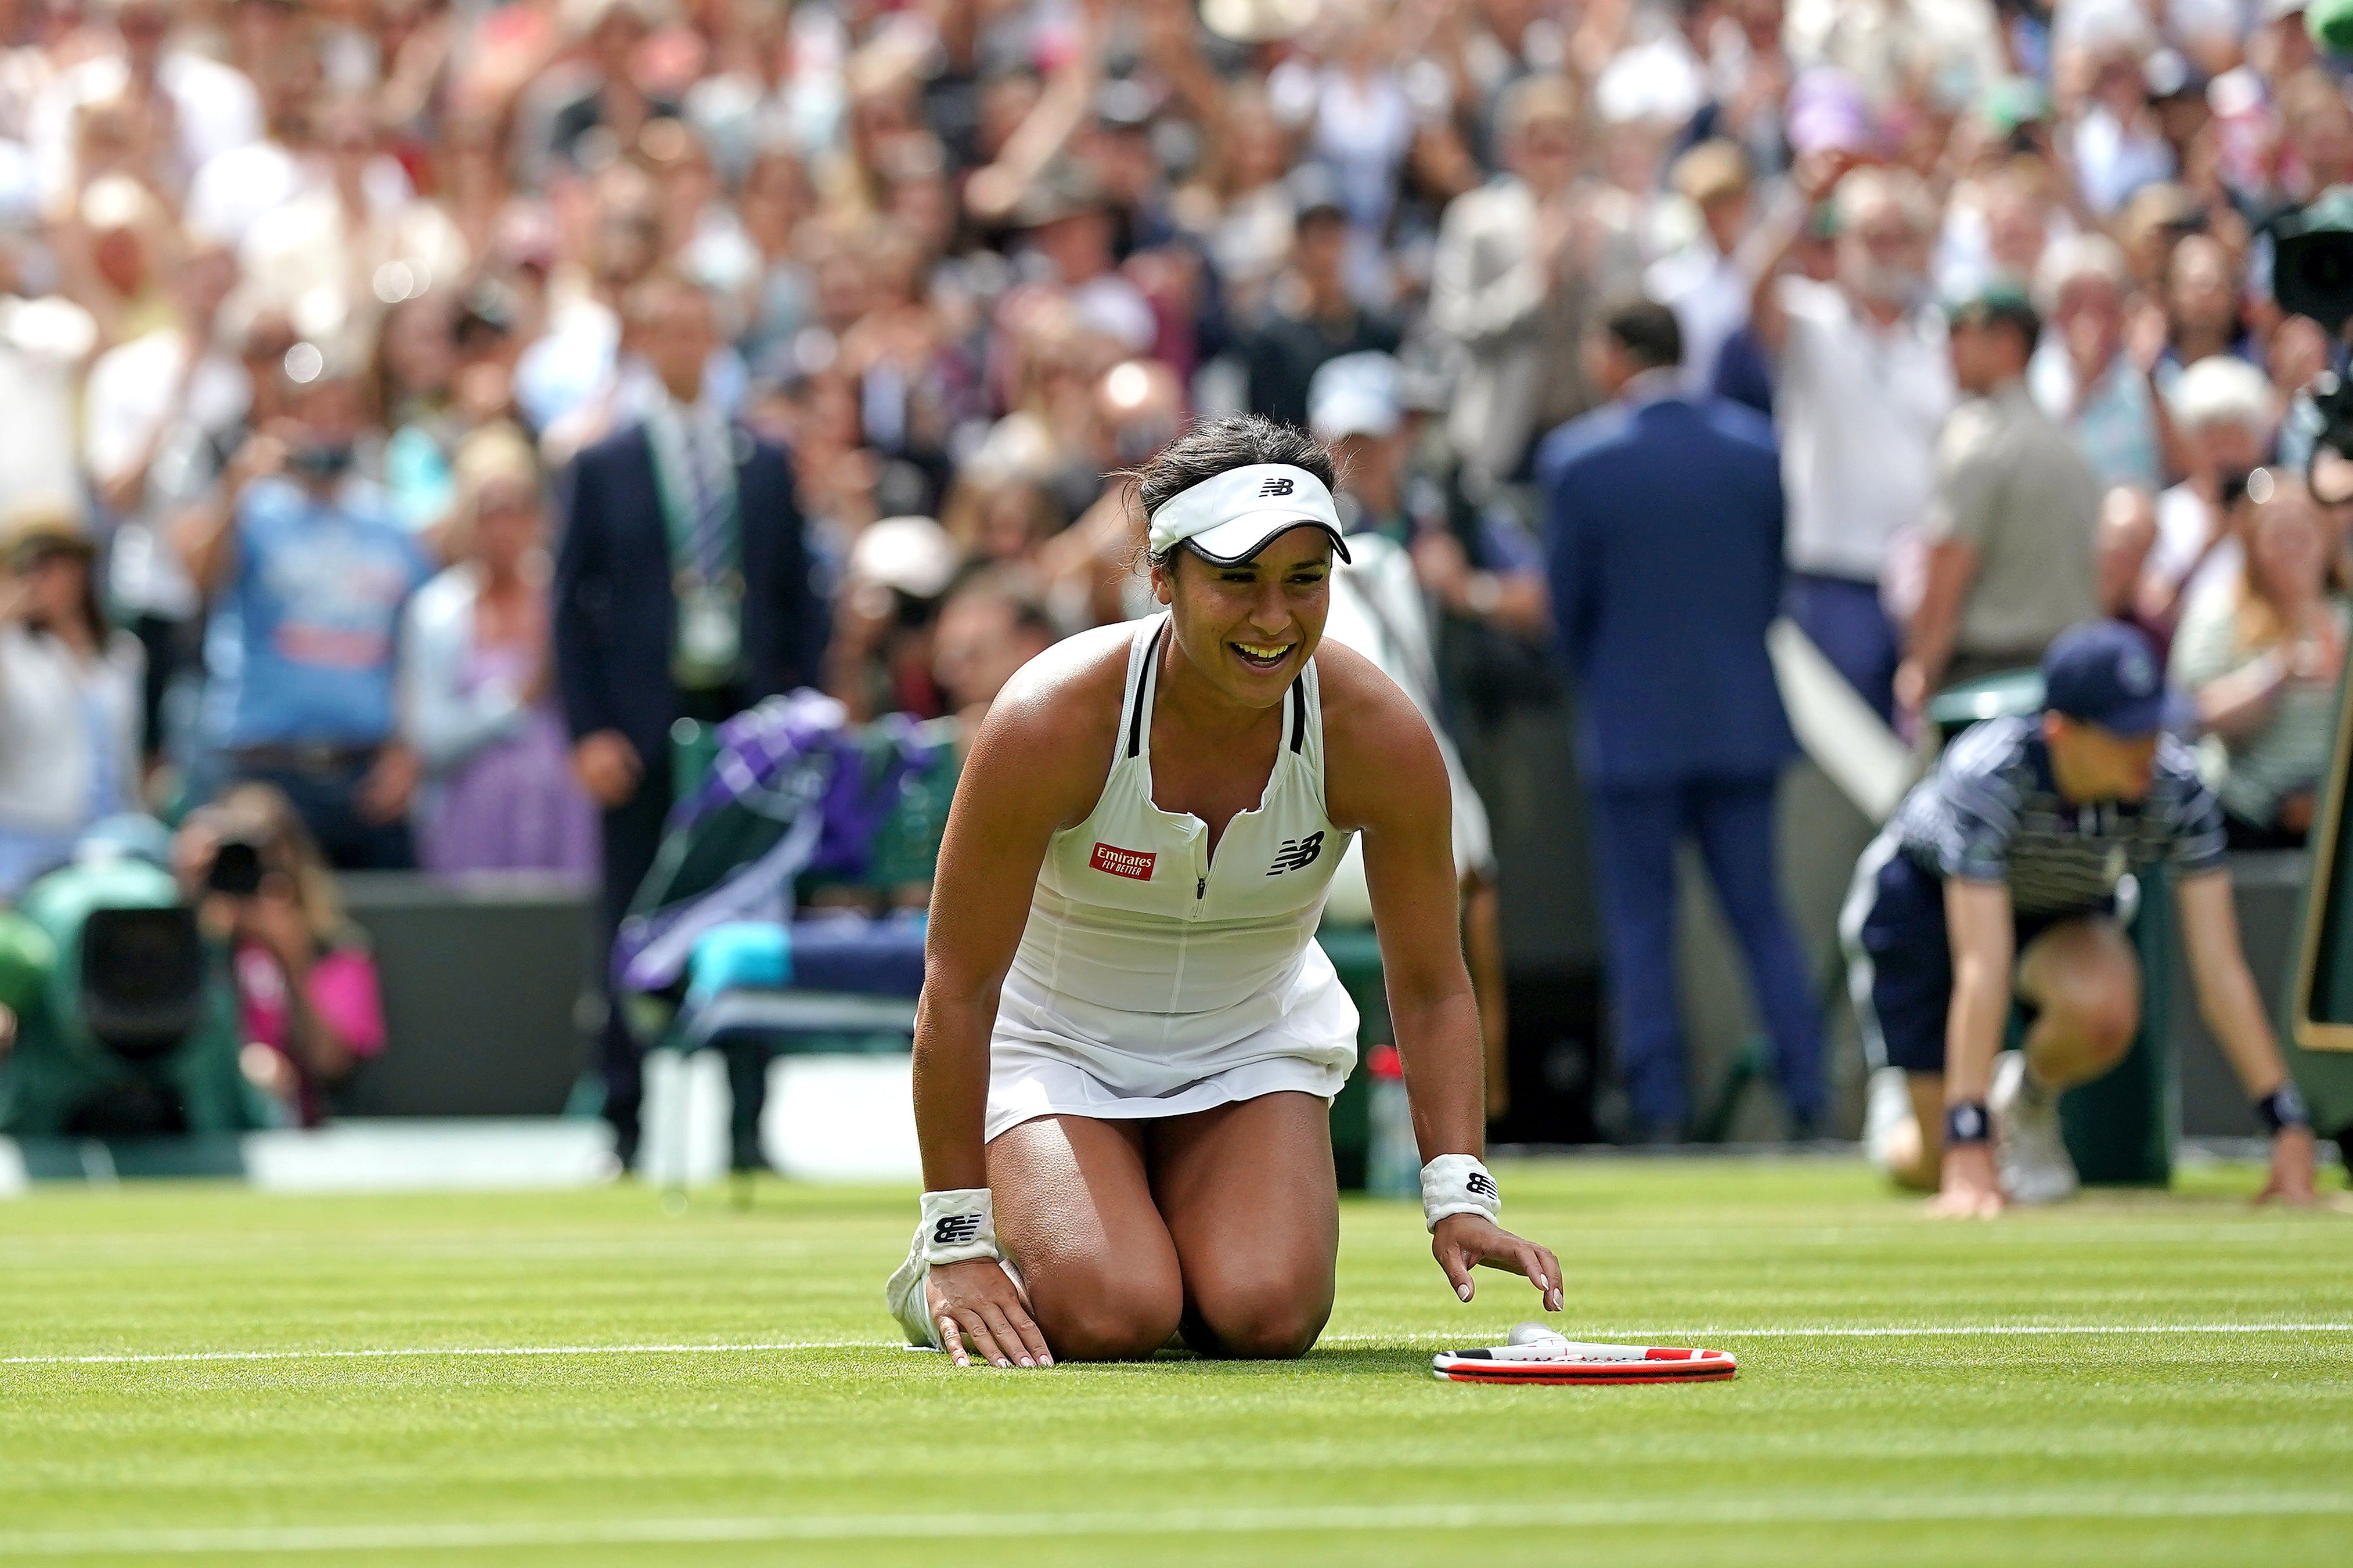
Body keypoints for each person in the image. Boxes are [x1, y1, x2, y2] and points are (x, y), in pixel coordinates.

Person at [889, 415, 1563, 1367]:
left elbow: (1432, 982)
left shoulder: (1379, 734)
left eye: (1304, 582)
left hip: (1249, 1053)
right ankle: (947, 1277)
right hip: (1054, 1054)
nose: (1273, 617)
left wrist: (1458, 1192)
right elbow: (955, 985)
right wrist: (956, 1234)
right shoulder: (1048, 718)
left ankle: (1153, 1219)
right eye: (1236, 581)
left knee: (1266, 1314)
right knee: (1110, 1311)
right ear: (1161, 579)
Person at [1842, 620, 2319, 1214]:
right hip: (1926, 908)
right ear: (2060, 732)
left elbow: (2222, 970)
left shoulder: (2175, 787)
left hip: (2057, 908)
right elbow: (1981, 965)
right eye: (2124, 732)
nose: (2147, 746)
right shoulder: (1990, 776)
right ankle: (1903, 1115)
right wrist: (1966, 1141)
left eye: (2152, 723)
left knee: (2104, 1008)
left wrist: (2289, 1127)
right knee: (1933, 1165)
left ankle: (2026, 1101)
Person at [553, 269, 823, 1169]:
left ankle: (748, 1126)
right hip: (638, 731)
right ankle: (622, 1124)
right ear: (640, 341)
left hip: (741, 729)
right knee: (630, 922)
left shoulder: (762, 460)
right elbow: (569, 609)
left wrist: (798, 717)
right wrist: (588, 729)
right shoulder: (604, 464)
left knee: (750, 914)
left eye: (694, 327)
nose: (680, 344)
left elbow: (797, 601)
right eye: (663, 328)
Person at [1538, 298, 1825, 1141]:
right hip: (1740, 718)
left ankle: (1659, 1108)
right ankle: (1808, 1094)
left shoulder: (1580, 459)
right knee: (1761, 916)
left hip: (1633, 729)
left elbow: (1566, 608)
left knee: (1642, 925)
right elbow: (1772, 585)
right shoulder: (1755, 446)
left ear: (1618, 356)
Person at [177, 351, 430, 870]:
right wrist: (236, 486)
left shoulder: (389, 522)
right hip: (270, 767)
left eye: (342, 413)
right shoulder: (253, 510)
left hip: (364, 769)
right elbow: (197, 579)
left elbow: (413, 646)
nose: (329, 429)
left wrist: (407, 752)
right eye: (314, 414)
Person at [1748, 161, 1955, 723]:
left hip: (1928, 580)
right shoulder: (1810, 318)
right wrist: (1797, 208)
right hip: (1834, 573)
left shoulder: (1949, 334)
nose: (1886, 250)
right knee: (1847, 748)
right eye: (1871, 235)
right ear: (1841, 242)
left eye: (1900, 236)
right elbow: (1751, 293)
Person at [1896, 284, 2103, 720]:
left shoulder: (1977, 438)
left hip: (1984, 680)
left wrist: (1921, 667)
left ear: (2006, 342)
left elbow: (1948, 566)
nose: (1949, 349)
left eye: (1961, 333)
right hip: (2061, 678)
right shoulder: (2067, 445)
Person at [401, 427, 597, 879]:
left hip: (566, 821)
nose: (504, 526)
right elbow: (429, 737)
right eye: (489, 511)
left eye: (518, 508)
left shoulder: (569, 602)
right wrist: (514, 702)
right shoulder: (437, 611)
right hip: (470, 829)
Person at [175, 783, 387, 1127]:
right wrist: (193, 900)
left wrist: (293, 962)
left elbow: (332, 1066)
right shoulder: (196, 945)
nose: (248, 873)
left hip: (305, 1135)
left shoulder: (333, 949)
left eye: (262, 858)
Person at [2170, 476, 2348, 849]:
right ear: (2252, 542)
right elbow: (2192, 715)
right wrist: (2275, 674)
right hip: (2249, 814)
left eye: (2304, 528)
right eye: (2279, 532)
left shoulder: (2345, 613)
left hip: (2338, 814)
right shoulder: (2219, 613)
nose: (2294, 544)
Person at [0, 502, 142, 900]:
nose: (44, 579)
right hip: (26, 835)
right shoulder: (13, 652)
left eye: (56, 563)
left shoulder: (120, 656)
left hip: (109, 834)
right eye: (29, 568)